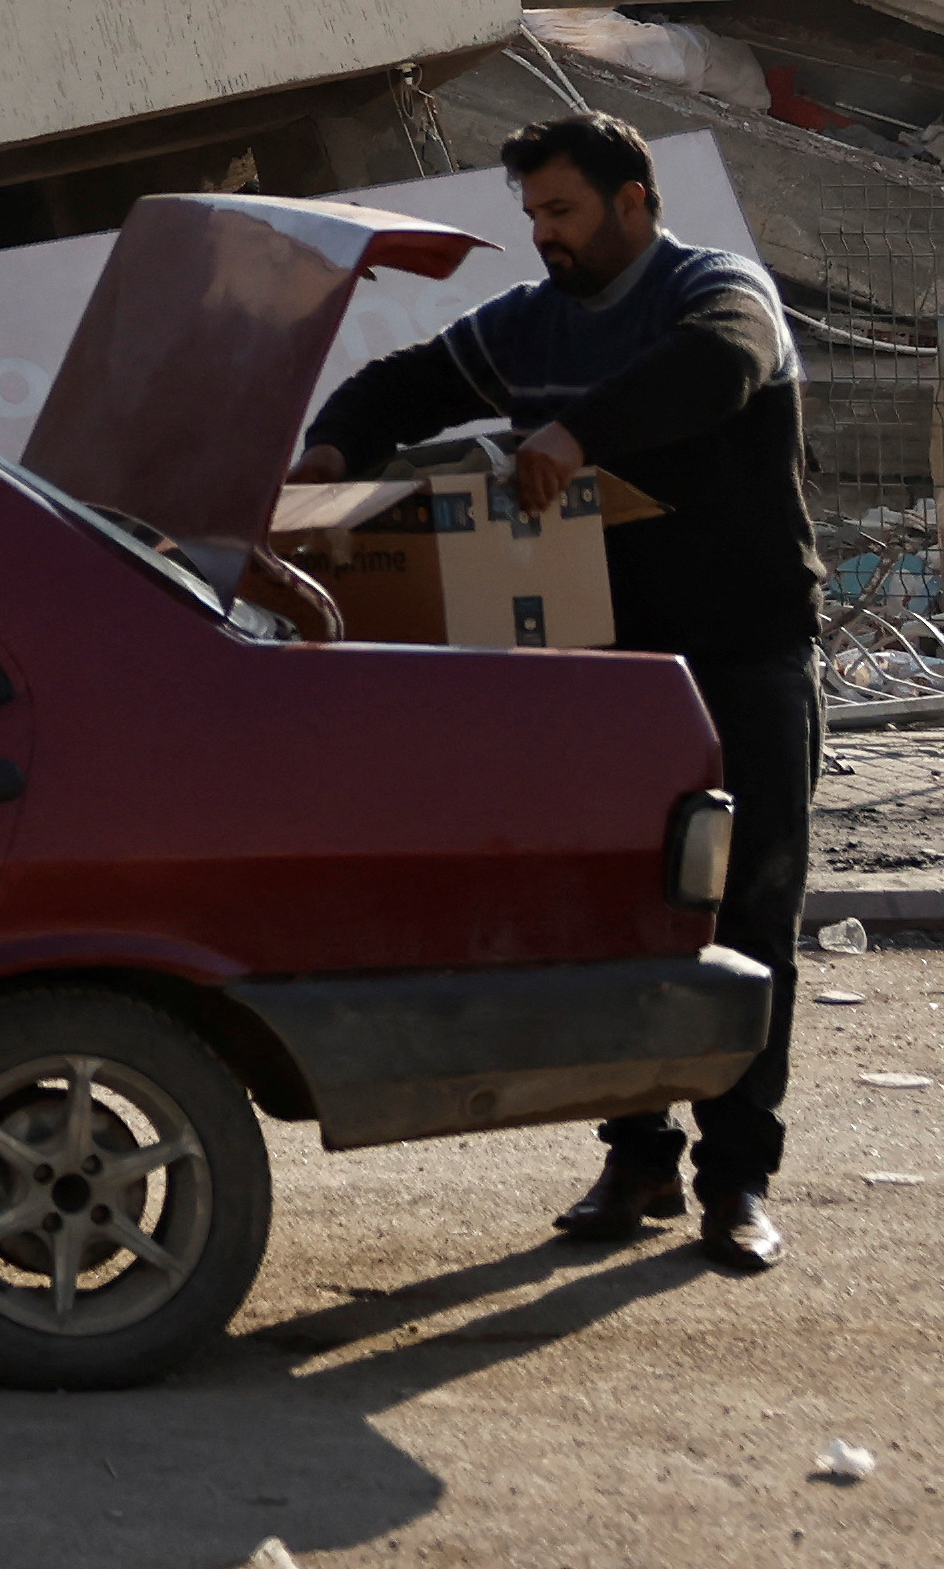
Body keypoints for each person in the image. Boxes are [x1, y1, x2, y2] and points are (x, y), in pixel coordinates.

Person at [293, 110, 819, 1275]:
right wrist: (335, 451)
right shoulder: (528, 325)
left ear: (636, 202)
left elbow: (721, 364)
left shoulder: (717, 288)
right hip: (604, 669)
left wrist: (580, 434)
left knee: (750, 915)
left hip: (742, 653)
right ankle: (638, 1159)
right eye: (533, 216)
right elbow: (405, 383)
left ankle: (739, 1182)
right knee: (617, 917)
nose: (547, 238)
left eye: (565, 212)